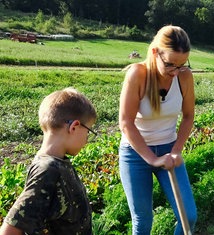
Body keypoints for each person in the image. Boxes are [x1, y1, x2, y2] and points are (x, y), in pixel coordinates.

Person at [118, 25, 197, 235]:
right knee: (143, 221)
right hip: (135, 153)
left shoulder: (184, 77)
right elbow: (126, 122)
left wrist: (176, 150)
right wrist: (152, 159)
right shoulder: (138, 74)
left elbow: (188, 116)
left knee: (188, 216)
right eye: (171, 65)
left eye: (182, 65)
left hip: (168, 148)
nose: (175, 72)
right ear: (155, 53)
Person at [0, 87, 97, 235]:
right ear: (74, 127)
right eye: (88, 132)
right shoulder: (47, 170)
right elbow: (10, 230)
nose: (86, 140)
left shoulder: (58, 163)